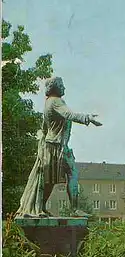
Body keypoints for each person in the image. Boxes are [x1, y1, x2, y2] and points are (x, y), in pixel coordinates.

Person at [16, 76, 102, 218]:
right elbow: (68, 114)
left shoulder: (47, 103)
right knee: (72, 174)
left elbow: (44, 128)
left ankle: (41, 207)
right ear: (55, 87)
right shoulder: (56, 101)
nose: (64, 88)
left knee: (50, 180)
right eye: (62, 85)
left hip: (50, 146)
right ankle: (74, 209)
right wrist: (87, 118)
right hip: (57, 147)